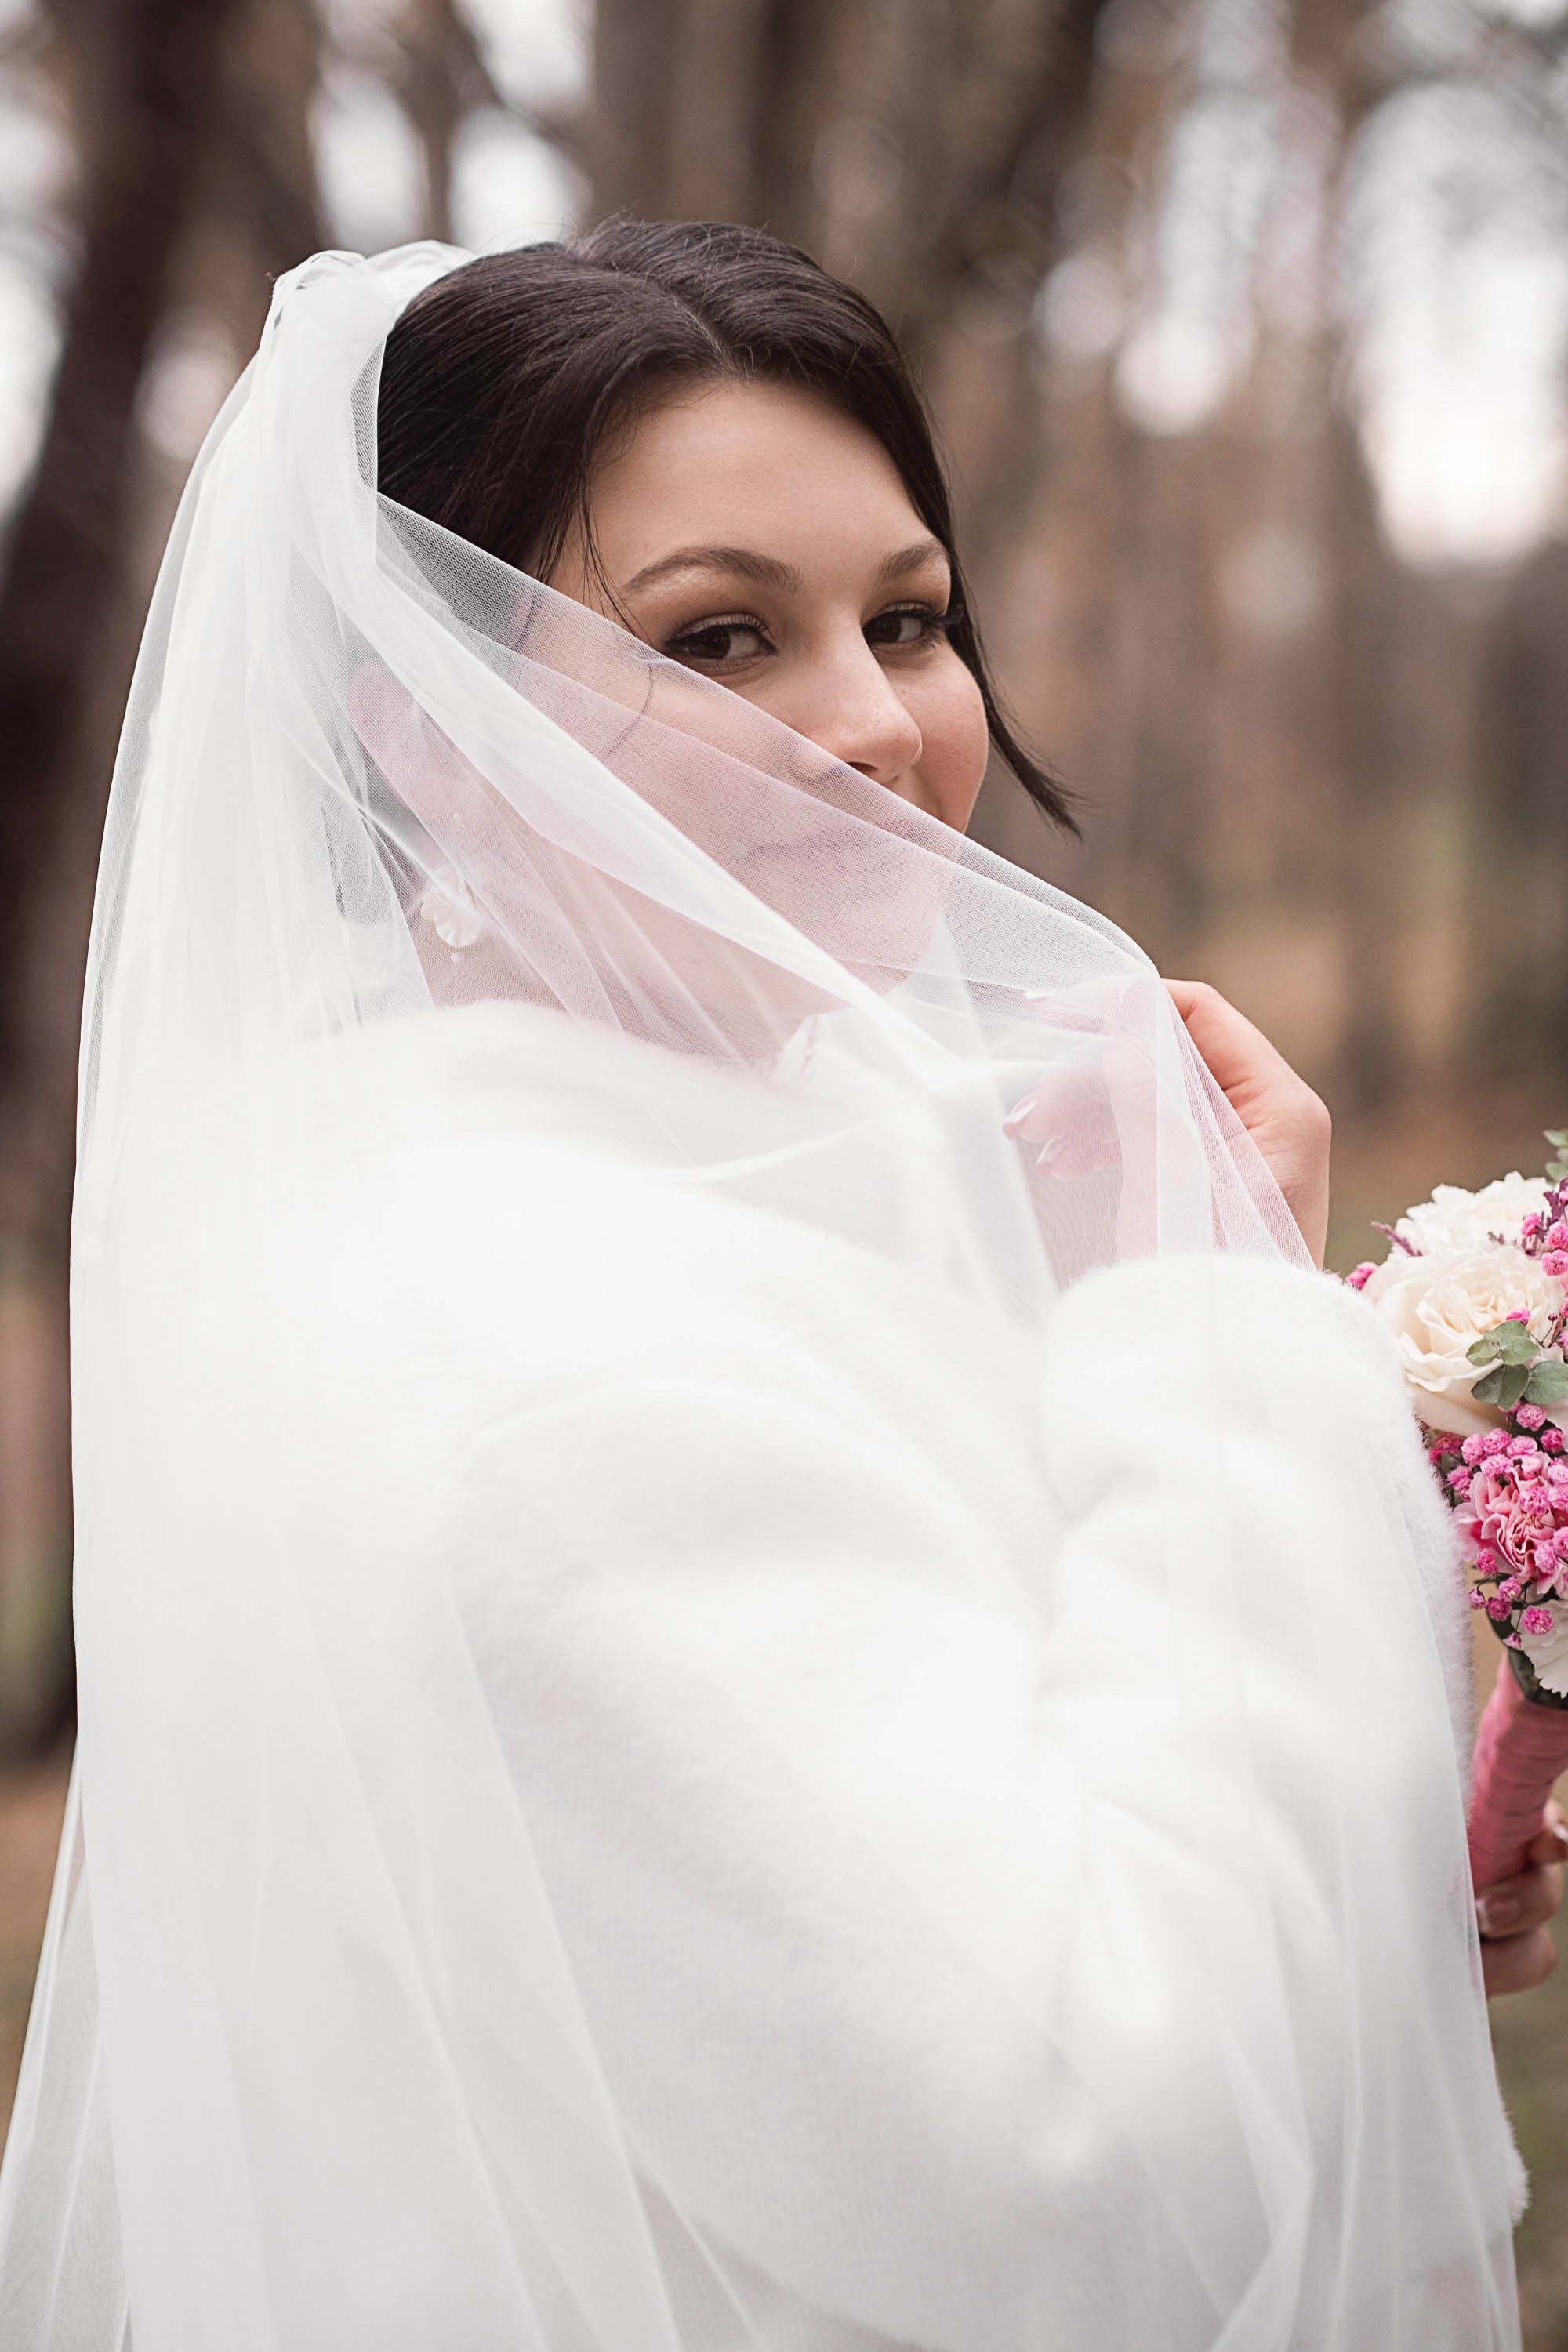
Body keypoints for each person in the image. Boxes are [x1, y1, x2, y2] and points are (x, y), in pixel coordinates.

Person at [0, 221, 1541, 2348]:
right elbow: (1089, 2156)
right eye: (717, 638)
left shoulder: (690, 1178)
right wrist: (1213, 1308)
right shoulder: (542, 1365)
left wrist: (1359, 1887)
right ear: (431, 732)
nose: (877, 725)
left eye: (908, 618)